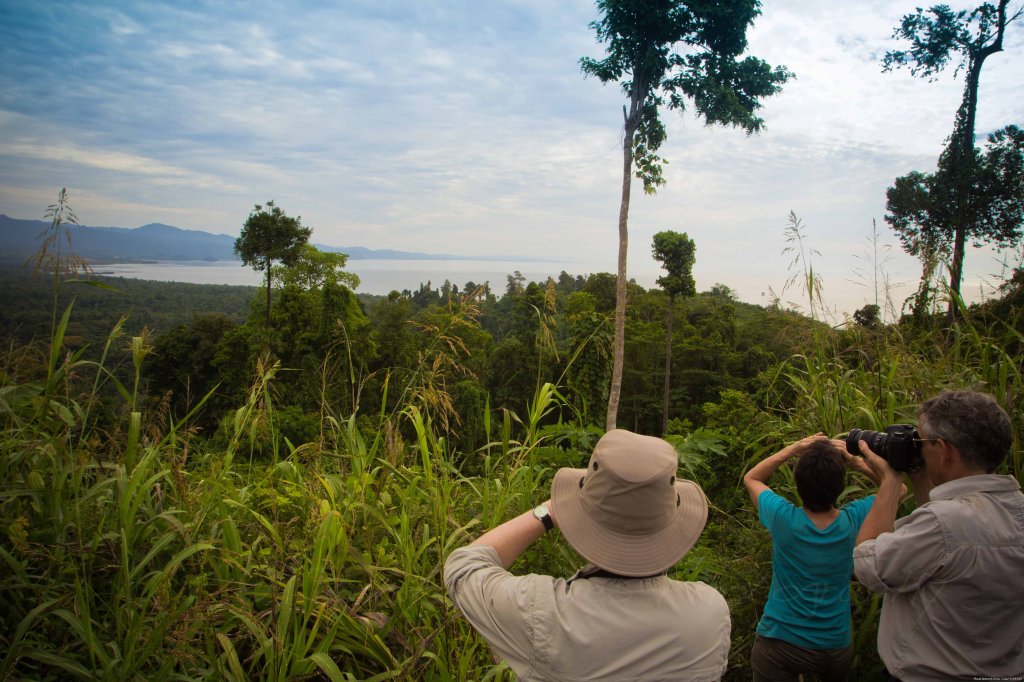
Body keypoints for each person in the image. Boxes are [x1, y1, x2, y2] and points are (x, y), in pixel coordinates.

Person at [443, 429, 731, 681]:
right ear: (671, 519)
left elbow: (463, 566)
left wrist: (549, 511)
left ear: (580, 516)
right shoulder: (709, 614)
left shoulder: (542, 613)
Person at [853, 389, 1024, 681]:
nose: (916, 448)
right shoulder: (1014, 508)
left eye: (920, 442)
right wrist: (920, 475)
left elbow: (869, 564)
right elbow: (941, 544)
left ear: (944, 451)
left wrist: (889, 482)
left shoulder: (944, 524)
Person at [742, 434, 885, 681]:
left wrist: (791, 449)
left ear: (799, 483)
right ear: (840, 486)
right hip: (834, 644)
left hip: (779, 640)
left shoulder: (783, 518)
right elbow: (896, 488)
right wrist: (856, 462)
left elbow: (751, 477)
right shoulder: (853, 521)